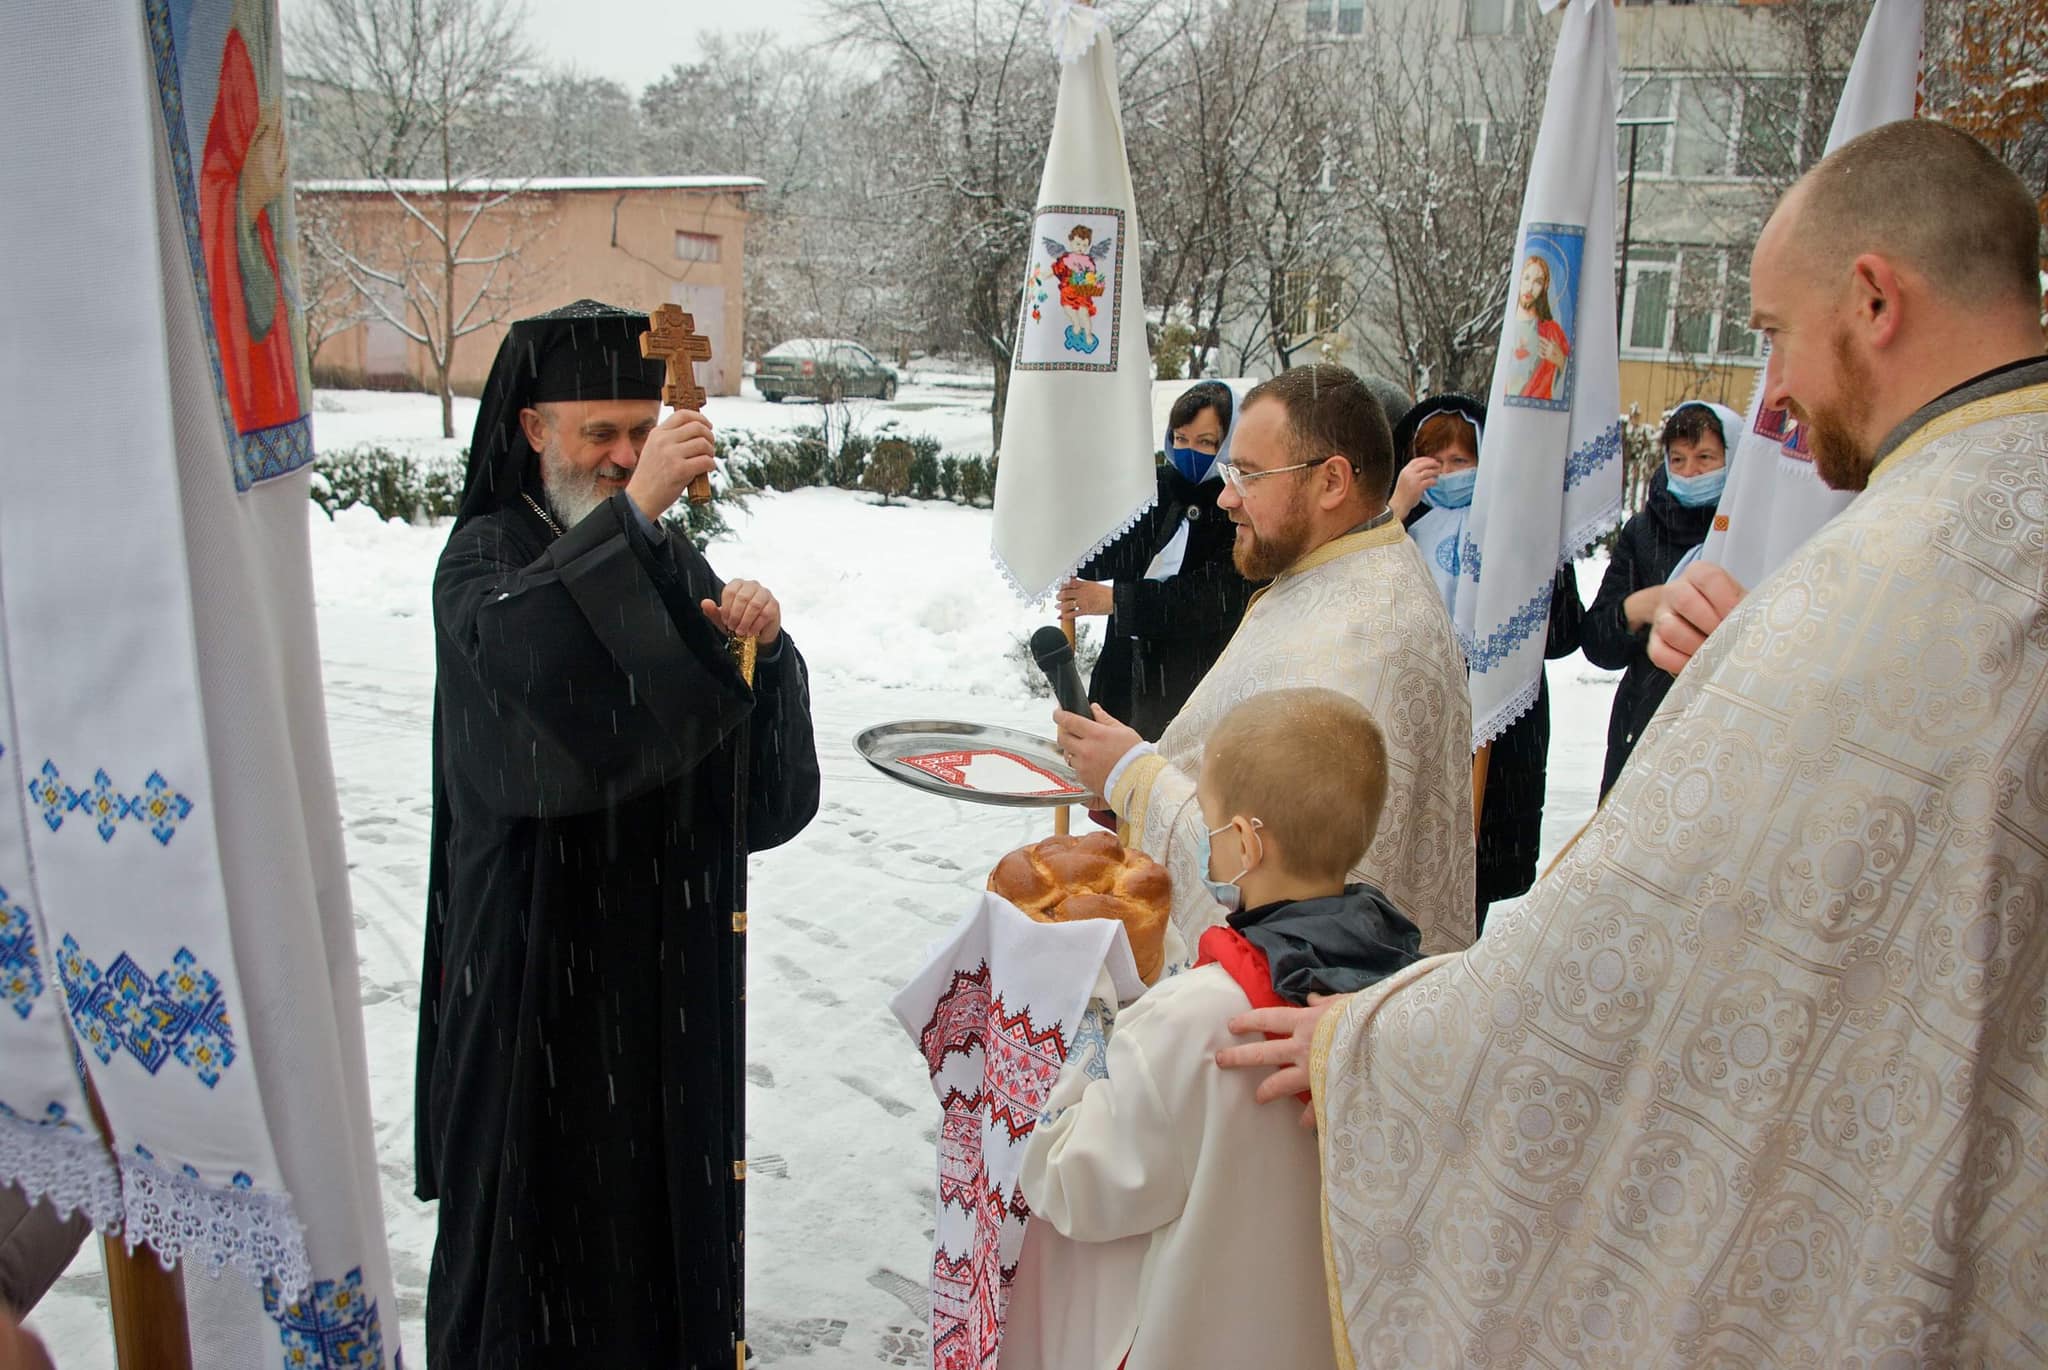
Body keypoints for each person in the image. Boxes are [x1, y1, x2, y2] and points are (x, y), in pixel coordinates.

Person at [1220, 121, 2048, 1363]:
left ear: (1874, 299)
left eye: (1772, 333)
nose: (1771, 395)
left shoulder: (1887, 578)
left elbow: (1617, 935)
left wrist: (1368, 1040)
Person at [414, 300, 821, 1367]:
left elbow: (749, 781)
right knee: (528, 1240)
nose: (625, 457)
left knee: (652, 1232)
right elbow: (524, 670)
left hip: (655, 973)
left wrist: (763, 653)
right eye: (599, 432)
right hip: (533, 970)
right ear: (532, 428)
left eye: (641, 433)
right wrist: (634, 519)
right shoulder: (482, 554)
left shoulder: (660, 551)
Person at [1016, 689, 1419, 1370]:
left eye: (1207, 821)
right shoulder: (1405, 1004)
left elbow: (1070, 1182)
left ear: (1244, 843)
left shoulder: (1194, 1019)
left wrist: (1093, 1024)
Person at [1055, 364, 1475, 961]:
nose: (1226, 497)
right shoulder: (1337, 570)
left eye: (1248, 475)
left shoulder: (1365, 640)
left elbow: (1280, 872)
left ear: (1332, 481)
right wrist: (1127, 780)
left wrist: (1133, 777)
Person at [1388, 394, 1583, 928]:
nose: (1448, 473)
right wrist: (1396, 508)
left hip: (1498, 717)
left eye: (1461, 460)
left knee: (1478, 865)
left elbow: (1565, 632)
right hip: (1418, 707)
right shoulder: (1397, 525)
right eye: (1435, 461)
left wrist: (1531, 552)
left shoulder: (1515, 523)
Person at [1056, 380, 1258, 742]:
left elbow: (1211, 598)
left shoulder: (1241, 506)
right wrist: (1074, 519)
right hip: (1124, 677)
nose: (1189, 451)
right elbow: (1111, 554)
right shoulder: (1155, 489)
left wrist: (1118, 601)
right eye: (1180, 438)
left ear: (1230, 442)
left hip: (1193, 686)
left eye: (1205, 442)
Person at [1581, 400, 1737, 796]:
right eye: (1678, 459)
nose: (1690, 472)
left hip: (1723, 730)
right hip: (1642, 723)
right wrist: (1638, 608)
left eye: (1705, 458)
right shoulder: (1644, 531)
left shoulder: (1747, 534)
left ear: (1733, 459)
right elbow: (1598, 643)